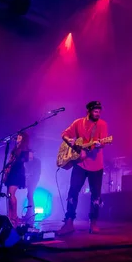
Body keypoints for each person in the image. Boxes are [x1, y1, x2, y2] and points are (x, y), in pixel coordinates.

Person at [57, 101, 108, 235]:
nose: (98, 113)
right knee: (73, 192)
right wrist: (70, 141)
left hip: (96, 165)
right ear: (88, 111)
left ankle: (94, 222)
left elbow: (104, 142)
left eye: (99, 111)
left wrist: (98, 144)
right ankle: (69, 222)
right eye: (95, 111)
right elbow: (64, 133)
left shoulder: (102, 124)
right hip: (79, 163)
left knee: (96, 195)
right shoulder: (78, 123)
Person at [3, 131, 32, 226]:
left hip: (17, 173)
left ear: (23, 138)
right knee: (9, 194)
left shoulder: (24, 149)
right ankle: (10, 215)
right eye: (18, 136)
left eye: (20, 136)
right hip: (11, 173)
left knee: (11, 194)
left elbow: (24, 160)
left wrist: (12, 163)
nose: (18, 137)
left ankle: (15, 216)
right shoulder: (15, 148)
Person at [24, 151, 41, 222]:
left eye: (31, 153)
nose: (30, 155)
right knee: (29, 195)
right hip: (28, 180)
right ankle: (29, 213)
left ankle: (31, 213)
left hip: (34, 180)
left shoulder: (37, 161)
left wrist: (31, 175)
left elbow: (37, 171)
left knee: (30, 195)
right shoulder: (26, 161)